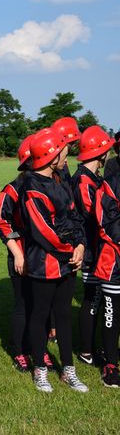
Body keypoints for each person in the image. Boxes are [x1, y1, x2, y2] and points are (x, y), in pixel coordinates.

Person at [19, 128, 88, 393]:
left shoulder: (60, 179)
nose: (67, 152)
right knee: (39, 316)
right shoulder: (31, 187)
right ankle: (40, 370)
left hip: (68, 259)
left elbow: (74, 216)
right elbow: (43, 231)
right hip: (45, 263)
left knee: (63, 315)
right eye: (62, 149)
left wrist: (80, 243)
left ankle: (68, 370)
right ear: (51, 155)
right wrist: (70, 249)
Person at [72, 126, 113, 367]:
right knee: (92, 297)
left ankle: (90, 346)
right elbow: (94, 216)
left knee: (94, 298)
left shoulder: (91, 178)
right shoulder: (84, 181)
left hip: (95, 248)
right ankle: (86, 351)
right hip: (91, 250)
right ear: (100, 153)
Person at [0, 135, 34, 372]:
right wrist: (17, 253)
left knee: (40, 304)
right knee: (22, 303)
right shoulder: (14, 188)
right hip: (21, 253)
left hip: (43, 255)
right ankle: (19, 350)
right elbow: (0, 220)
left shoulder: (53, 183)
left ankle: (35, 347)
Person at [94, 154, 120, 387]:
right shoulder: (111, 184)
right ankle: (110, 364)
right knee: (112, 315)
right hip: (114, 261)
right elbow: (106, 221)